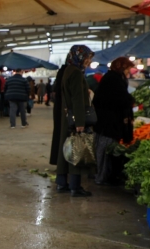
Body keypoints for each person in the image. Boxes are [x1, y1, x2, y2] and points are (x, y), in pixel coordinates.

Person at [56, 45, 96, 197]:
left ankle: (61, 183)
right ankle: (75, 187)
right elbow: (78, 99)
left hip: (68, 116)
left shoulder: (68, 70)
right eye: (87, 57)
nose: (88, 61)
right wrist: (80, 122)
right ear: (80, 57)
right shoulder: (76, 73)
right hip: (75, 118)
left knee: (66, 150)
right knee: (77, 150)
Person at [92, 57, 135, 186]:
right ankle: (103, 176)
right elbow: (119, 98)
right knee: (105, 150)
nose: (129, 71)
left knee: (105, 150)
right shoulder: (113, 79)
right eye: (127, 68)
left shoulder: (114, 77)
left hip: (107, 121)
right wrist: (131, 100)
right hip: (108, 122)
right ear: (121, 67)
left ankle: (104, 175)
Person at [50, 66, 67, 165]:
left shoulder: (61, 74)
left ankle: (58, 161)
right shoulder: (71, 72)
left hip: (59, 109)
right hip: (65, 110)